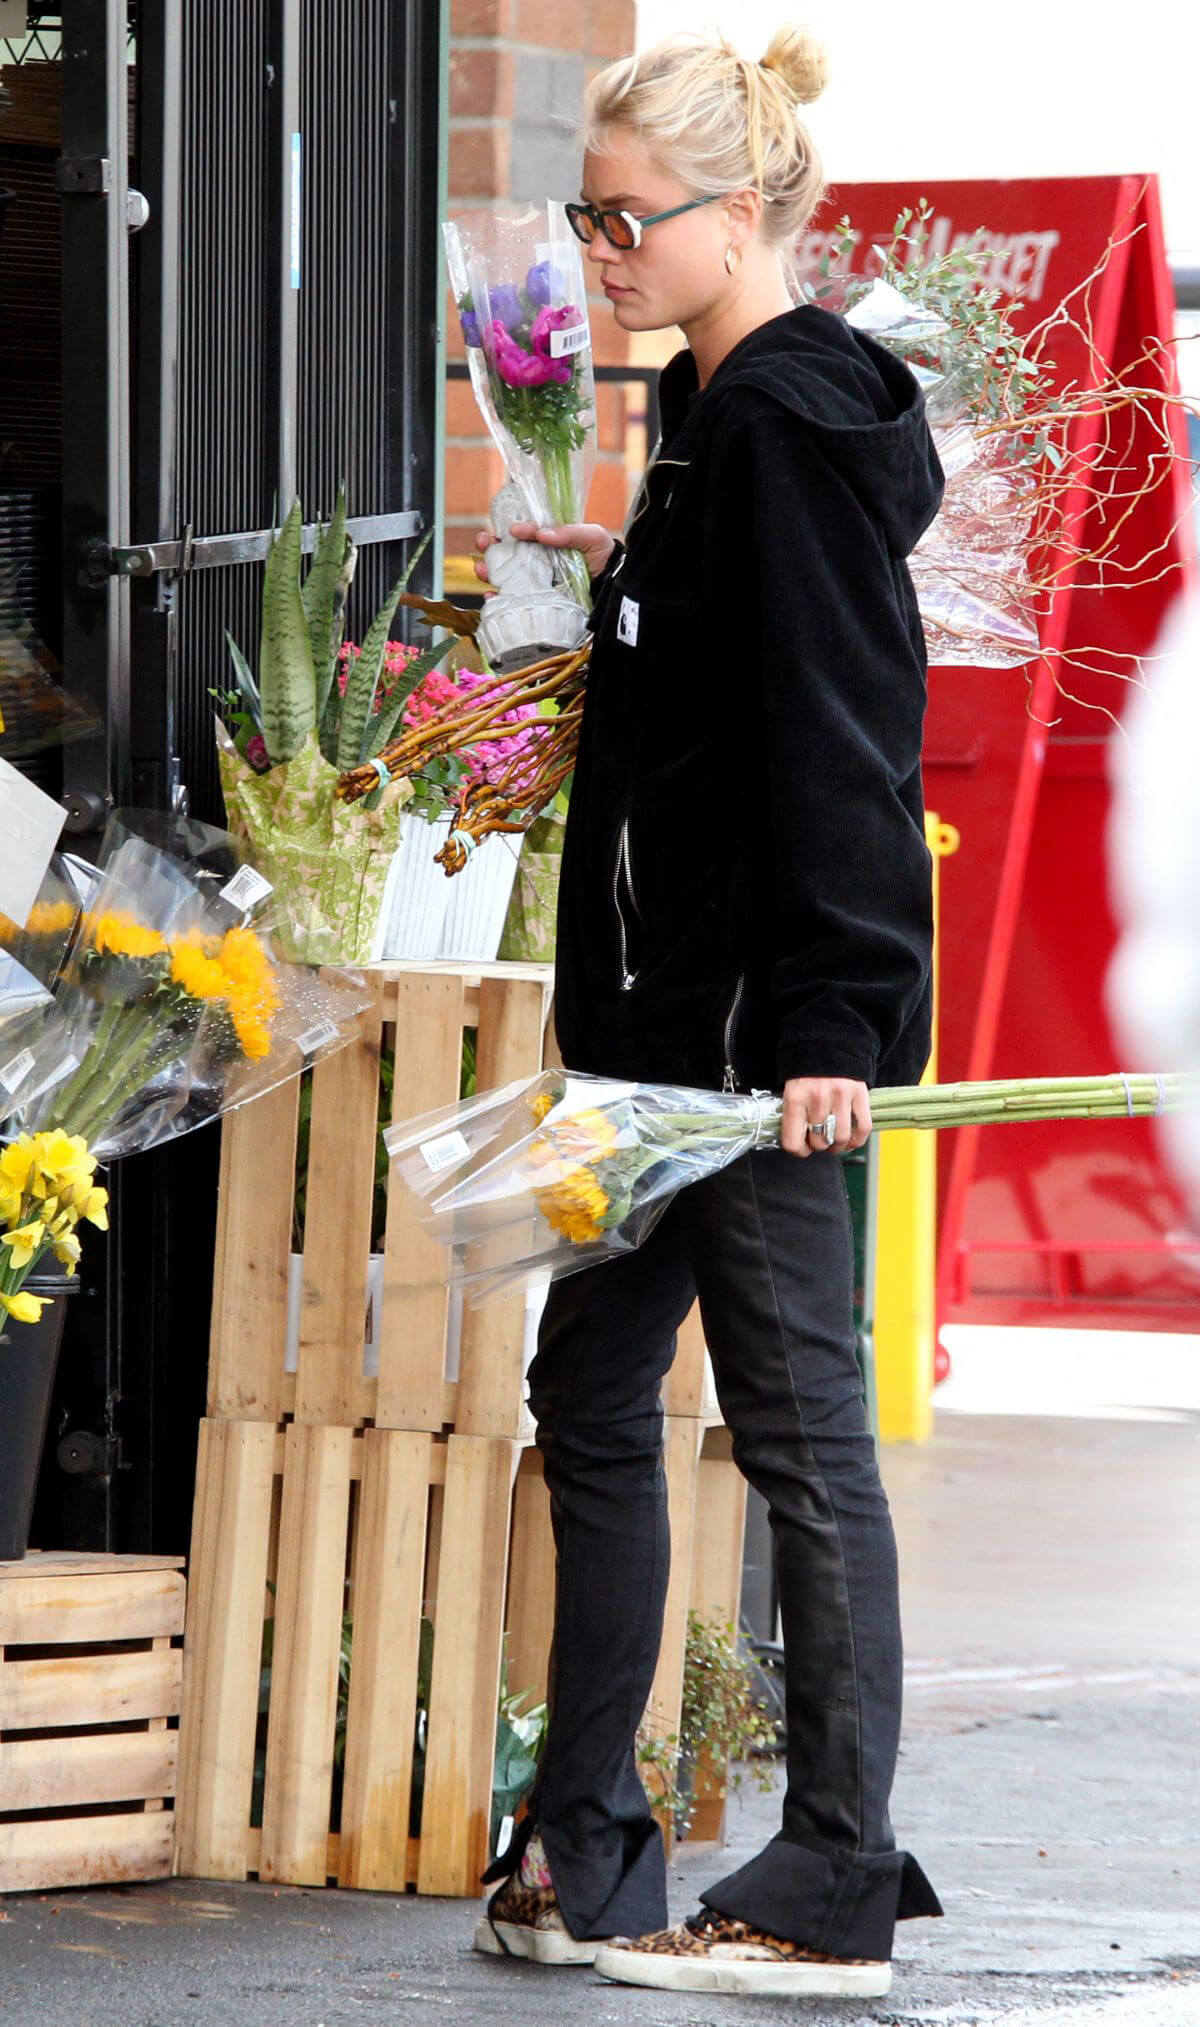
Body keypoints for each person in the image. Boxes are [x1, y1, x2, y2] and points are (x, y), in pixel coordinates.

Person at [470, 24, 946, 2001]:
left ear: (734, 218)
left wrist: (839, 1028)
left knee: (801, 1429)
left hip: (751, 1049)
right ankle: (587, 1847)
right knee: (589, 1396)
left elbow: (844, 742)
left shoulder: (791, 424)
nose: (595, 252)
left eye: (624, 219)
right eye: (582, 216)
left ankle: (832, 1873)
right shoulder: (702, 414)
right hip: (659, 1041)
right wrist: (615, 585)